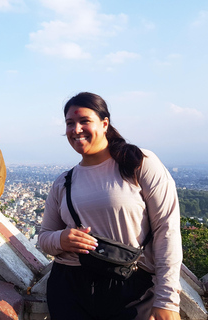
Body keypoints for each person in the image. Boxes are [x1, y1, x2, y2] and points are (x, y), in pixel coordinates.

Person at [39, 92, 182, 320]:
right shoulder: (63, 183)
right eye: (70, 123)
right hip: (69, 286)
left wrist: (167, 299)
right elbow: (44, 237)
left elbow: (168, 230)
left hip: (130, 285)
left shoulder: (138, 163)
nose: (76, 130)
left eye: (85, 121)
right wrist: (62, 239)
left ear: (104, 124)